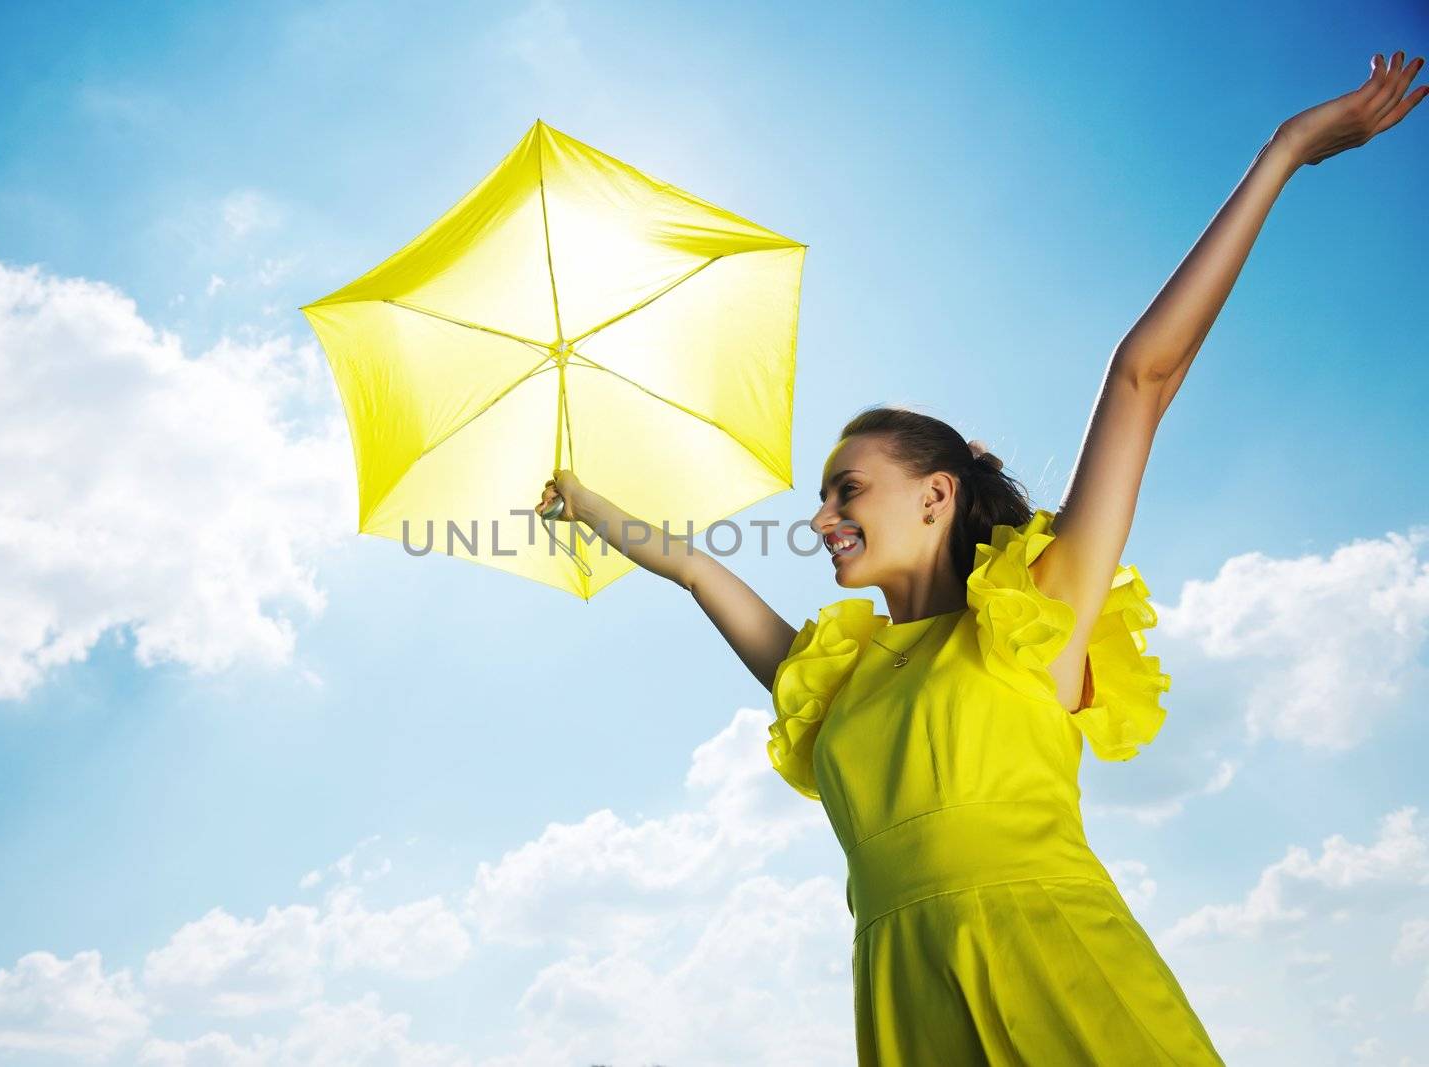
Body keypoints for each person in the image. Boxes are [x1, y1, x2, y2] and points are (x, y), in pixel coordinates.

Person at [535, 52, 1424, 1065]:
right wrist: (584, 499)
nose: (821, 517)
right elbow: (697, 567)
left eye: (846, 488)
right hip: (904, 1000)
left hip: (1058, 977)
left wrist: (1287, 152)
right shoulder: (832, 681)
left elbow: (1141, 376)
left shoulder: (1036, 610)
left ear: (936, 492)